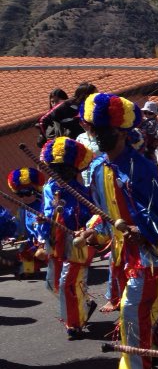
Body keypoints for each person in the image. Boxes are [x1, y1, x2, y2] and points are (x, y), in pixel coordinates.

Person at [78, 93, 158, 369]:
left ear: (123, 133)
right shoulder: (100, 169)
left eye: (105, 131)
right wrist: (94, 231)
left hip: (149, 254)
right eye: (95, 130)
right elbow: (104, 215)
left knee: (132, 309)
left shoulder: (140, 168)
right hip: (121, 255)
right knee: (142, 306)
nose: (99, 136)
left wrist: (142, 230)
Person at [36, 137, 98, 338]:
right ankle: (85, 304)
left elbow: (92, 217)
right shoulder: (48, 188)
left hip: (76, 242)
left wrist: (82, 228)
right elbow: (45, 211)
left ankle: (75, 324)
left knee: (68, 284)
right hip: (54, 241)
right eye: (55, 168)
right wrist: (42, 225)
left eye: (64, 168)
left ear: (74, 169)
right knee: (52, 284)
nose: (59, 172)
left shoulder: (82, 192)